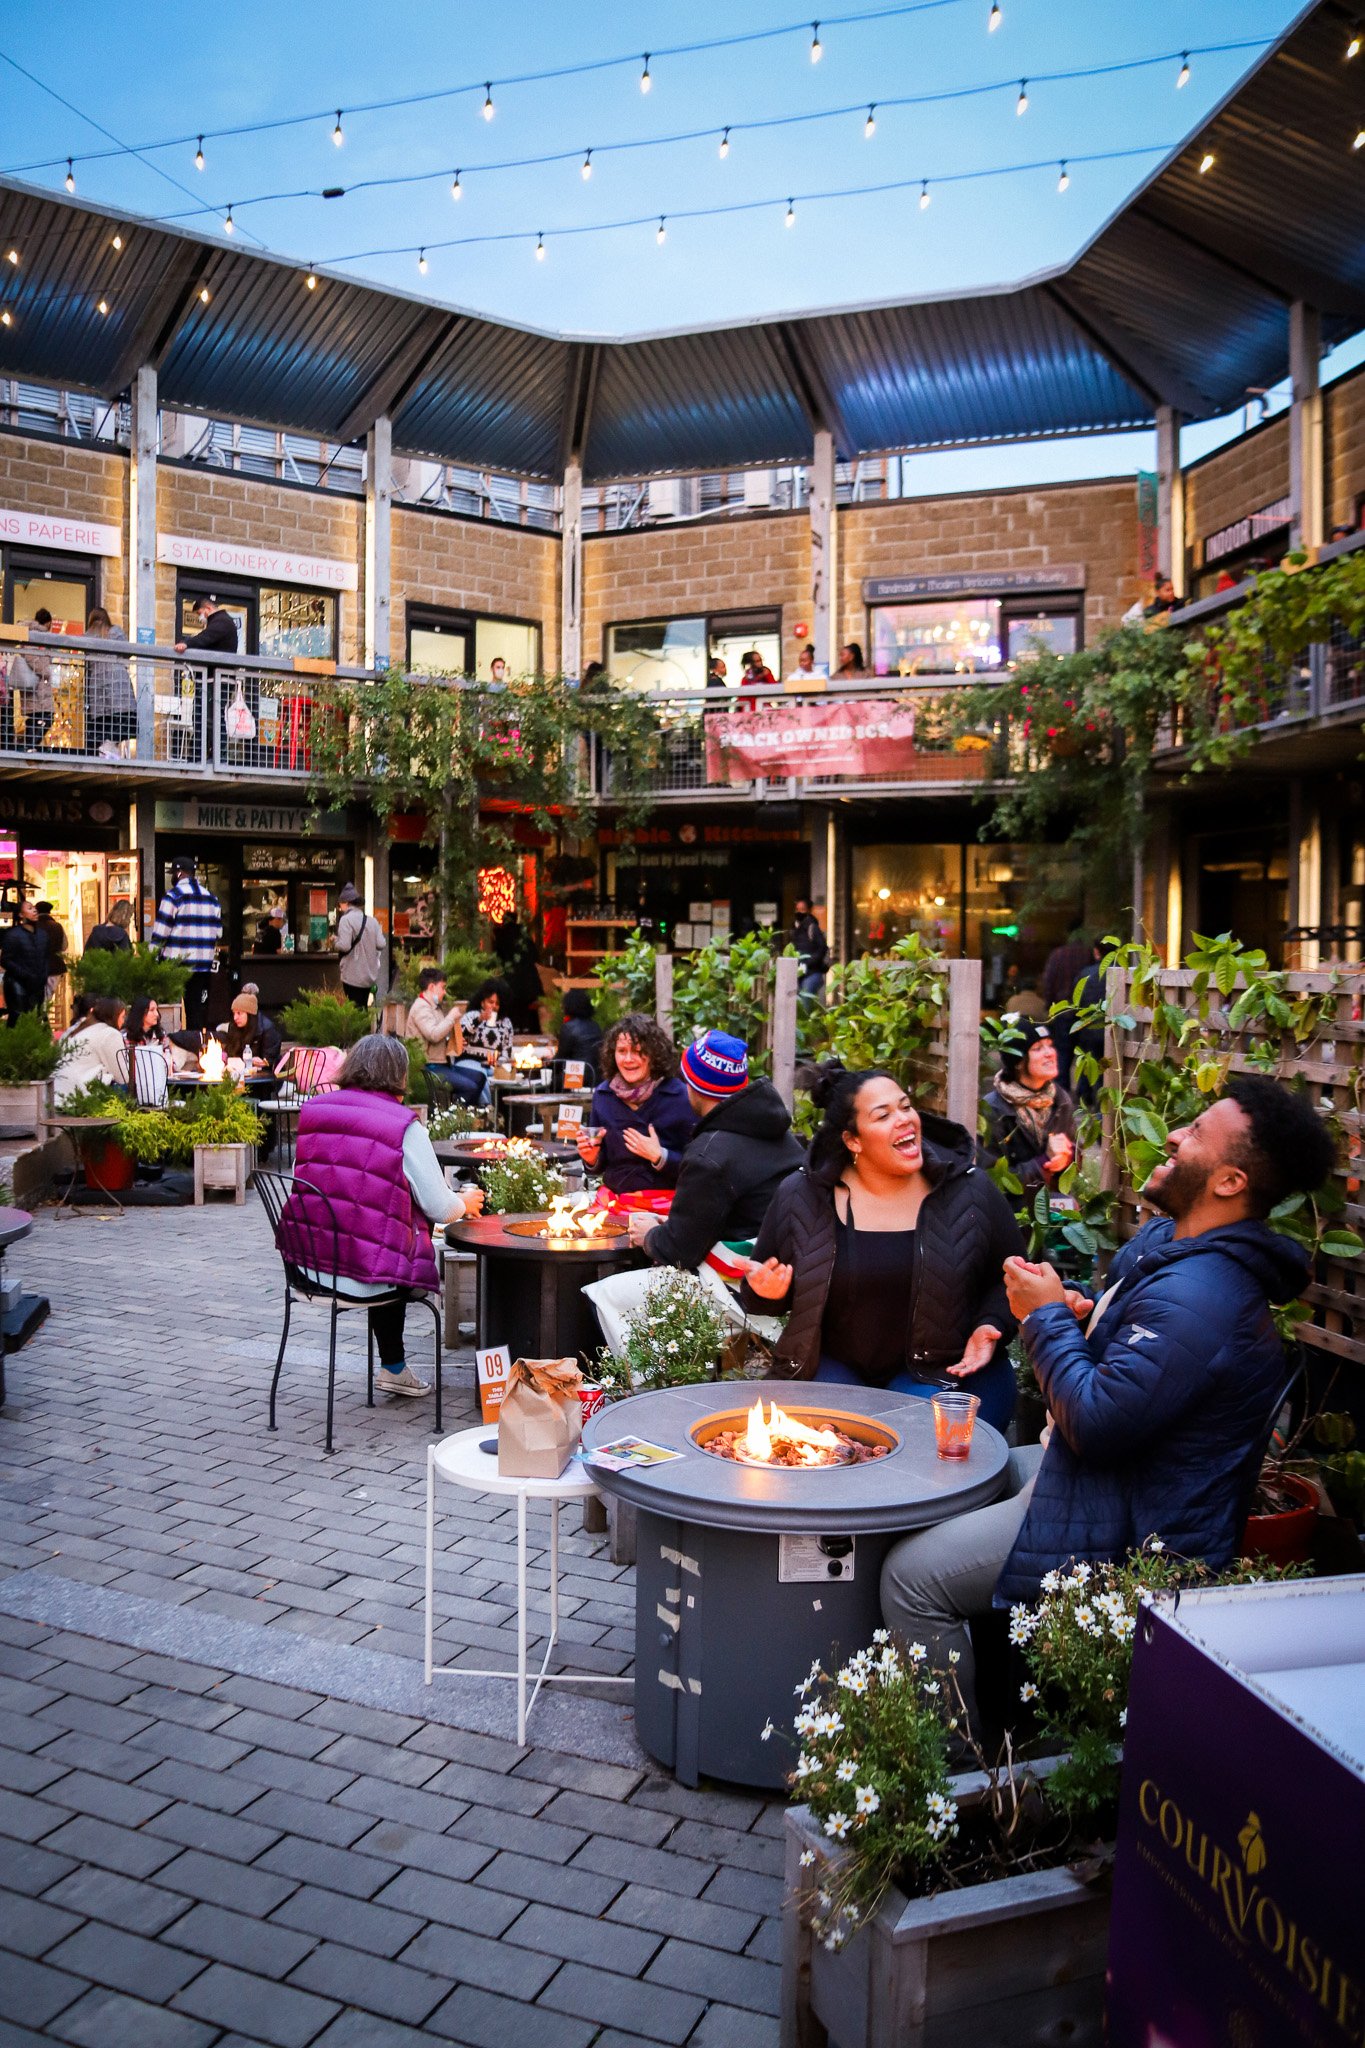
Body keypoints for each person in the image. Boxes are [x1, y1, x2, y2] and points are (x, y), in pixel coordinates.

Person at [879, 1075, 1337, 1735]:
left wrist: (1043, 1322)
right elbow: (1135, 1376)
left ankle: (951, 1780)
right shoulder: (1173, 1250)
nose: (1174, 1137)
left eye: (1196, 1134)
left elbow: (1095, 1422)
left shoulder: (1202, 1296)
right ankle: (998, 1698)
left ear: (1229, 1182)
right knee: (951, 1468)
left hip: (1126, 1523)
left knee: (909, 1579)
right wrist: (1079, 1316)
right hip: (1101, 1479)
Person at [743, 1066, 1023, 1429]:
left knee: (912, 1443)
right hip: (834, 1366)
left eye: (905, 1107)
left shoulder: (969, 1192)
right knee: (825, 1451)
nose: (904, 1120)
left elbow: (1015, 1276)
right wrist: (767, 1292)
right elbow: (760, 1292)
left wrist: (991, 1323)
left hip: (945, 1367)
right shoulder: (803, 1195)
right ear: (853, 1140)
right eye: (883, 1115)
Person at [276, 1035, 484, 1398]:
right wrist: (466, 1201)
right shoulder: (403, 1125)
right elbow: (440, 1208)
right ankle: (393, 1367)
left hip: (307, 1265)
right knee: (393, 1251)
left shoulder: (314, 1110)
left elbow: (304, 1176)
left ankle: (394, 1367)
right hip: (365, 1275)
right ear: (399, 1075)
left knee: (378, 1237)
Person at [627, 1030, 803, 1269]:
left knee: (602, 1293)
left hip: (738, 1277)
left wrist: (649, 1235)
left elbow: (678, 1252)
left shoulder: (708, 1156)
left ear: (694, 1085)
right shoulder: (778, 1131)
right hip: (786, 1264)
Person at [577, 1013, 696, 1195]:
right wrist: (591, 1159)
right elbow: (600, 1163)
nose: (628, 1059)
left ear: (654, 1054)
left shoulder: (680, 1096)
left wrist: (660, 1156)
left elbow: (699, 1166)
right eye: (622, 1051)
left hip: (667, 1205)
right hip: (616, 1201)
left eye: (638, 1051)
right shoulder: (603, 1095)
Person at [979, 1018, 1077, 1196]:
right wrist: (1044, 1162)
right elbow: (992, 1179)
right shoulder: (993, 1109)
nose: (1050, 1053)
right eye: (1038, 1048)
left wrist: (1067, 1156)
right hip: (1013, 1214)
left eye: (1049, 1045)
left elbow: (1076, 1157)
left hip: (1054, 1210)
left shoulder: (1061, 1099)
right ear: (1018, 1061)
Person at [151, 858, 223, 1032]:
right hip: (202, 966)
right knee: (195, 1011)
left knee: (170, 1011)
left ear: (178, 873)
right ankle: (195, 1046)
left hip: (176, 965)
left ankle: (172, 1045)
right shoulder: (212, 899)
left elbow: (161, 933)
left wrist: (151, 960)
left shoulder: (173, 897)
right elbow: (219, 933)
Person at [406, 966, 490, 1106]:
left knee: (479, 1077)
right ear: (432, 987)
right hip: (428, 1067)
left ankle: (461, 1112)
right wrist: (451, 1017)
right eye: (443, 987)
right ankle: (453, 1118)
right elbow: (433, 1034)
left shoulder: (434, 1006)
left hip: (441, 1064)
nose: (445, 992)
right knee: (470, 1087)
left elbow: (439, 1035)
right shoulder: (420, 1007)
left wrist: (453, 1043)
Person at [1040, 931, 1094, 1090]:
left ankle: (1061, 1092)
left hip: (1063, 1010)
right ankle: (1084, 1094)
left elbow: (1048, 982)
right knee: (1085, 1053)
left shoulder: (1057, 955)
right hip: (1084, 1012)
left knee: (1063, 1053)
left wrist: (1050, 1006)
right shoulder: (1088, 954)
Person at [83, 607, 137, 759]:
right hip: (117, 679)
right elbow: (128, 652)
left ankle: (106, 747)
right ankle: (110, 745)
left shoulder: (88, 636)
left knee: (102, 718)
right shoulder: (115, 632)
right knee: (123, 717)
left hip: (97, 682)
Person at [54, 996, 127, 1105]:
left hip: (58, 1095)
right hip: (82, 1097)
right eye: (122, 1017)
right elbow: (123, 1076)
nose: (123, 1022)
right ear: (114, 1016)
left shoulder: (74, 1030)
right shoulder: (109, 1033)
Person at [8, 610, 55, 749]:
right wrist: (45, 671)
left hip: (37, 685)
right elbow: (30, 656)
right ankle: (27, 746)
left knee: (37, 718)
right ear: (48, 623)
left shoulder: (33, 634)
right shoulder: (35, 635)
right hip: (36, 685)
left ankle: (27, 746)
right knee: (45, 717)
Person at [334, 883, 385, 1010]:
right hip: (369, 974)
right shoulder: (372, 921)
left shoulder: (346, 920)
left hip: (352, 974)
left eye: (340, 904)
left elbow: (344, 946)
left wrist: (335, 941)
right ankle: (365, 1029)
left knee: (353, 1009)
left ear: (346, 903)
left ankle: (359, 1030)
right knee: (363, 1007)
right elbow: (381, 944)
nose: (340, 907)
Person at [1, 901, 49, 1024]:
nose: (34, 910)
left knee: (37, 1017)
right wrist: (24, 974)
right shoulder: (12, 935)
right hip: (17, 984)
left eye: (34, 908)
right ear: (21, 915)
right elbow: (5, 960)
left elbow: (46, 957)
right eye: (29, 908)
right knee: (18, 1018)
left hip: (38, 984)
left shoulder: (43, 935)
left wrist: (44, 975)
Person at [493, 913, 541, 1030]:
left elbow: (497, 957)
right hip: (528, 979)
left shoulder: (501, 935)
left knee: (511, 1005)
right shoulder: (524, 936)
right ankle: (528, 1028)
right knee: (527, 1007)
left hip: (509, 978)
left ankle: (512, 1028)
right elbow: (535, 955)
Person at [219, 990, 282, 1073]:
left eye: (239, 1013)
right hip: (239, 1073)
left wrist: (264, 1062)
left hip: (265, 1077)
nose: (235, 1018)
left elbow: (272, 1060)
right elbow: (231, 1052)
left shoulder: (267, 1029)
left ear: (250, 1014)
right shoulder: (234, 1026)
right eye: (234, 1013)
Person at [460, 978, 515, 1068]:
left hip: (493, 1066)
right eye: (490, 1002)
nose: (494, 1006)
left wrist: (499, 1064)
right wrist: (479, 1020)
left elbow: (507, 1050)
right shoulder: (471, 1016)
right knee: (482, 1076)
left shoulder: (506, 1023)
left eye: (497, 1003)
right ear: (482, 1003)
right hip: (468, 1061)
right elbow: (460, 1034)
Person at [556, 987, 603, 1075]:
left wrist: (547, 1064)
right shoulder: (595, 1025)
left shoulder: (568, 1027)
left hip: (577, 1077)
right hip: (596, 1076)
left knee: (548, 1081)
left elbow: (561, 1057)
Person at [789, 898, 830, 999]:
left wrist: (808, 962)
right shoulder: (795, 928)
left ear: (808, 911)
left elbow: (822, 948)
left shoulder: (812, 927)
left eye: (802, 909)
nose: (799, 912)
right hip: (800, 974)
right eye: (797, 909)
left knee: (805, 1004)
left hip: (812, 973)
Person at [174, 595, 238, 658]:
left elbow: (205, 638)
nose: (199, 617)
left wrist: (186, 643)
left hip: (221, 665)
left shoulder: (222, 621)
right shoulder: (221, 620)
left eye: (199, 613)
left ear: (208, 608)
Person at [35, 902, 67, 1003]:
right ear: (49, 912)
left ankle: (38, 1014)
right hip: (55, 967)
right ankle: (44, 1012)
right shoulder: (57, 926)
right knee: (47, 997)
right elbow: (64, 946)